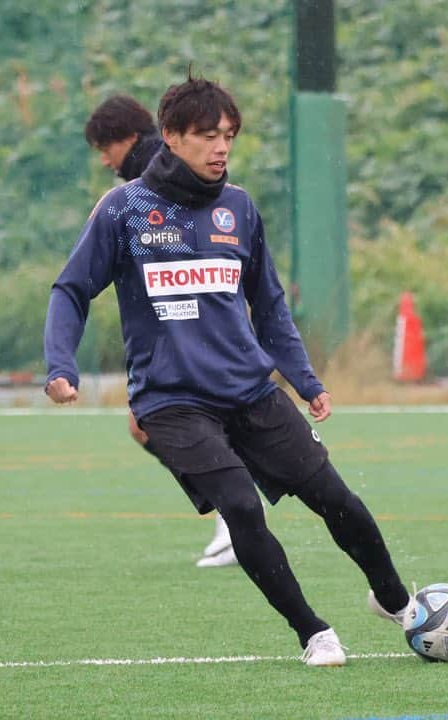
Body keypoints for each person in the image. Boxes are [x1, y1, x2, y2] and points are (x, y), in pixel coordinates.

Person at [45, 72, 413, 665]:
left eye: (229, 136)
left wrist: (305, 379)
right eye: (208, 135)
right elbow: (70, 290)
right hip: (172, 402)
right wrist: (61, 364)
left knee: (334, 497)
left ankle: (397, 600)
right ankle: (313, 632)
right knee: (240, 505)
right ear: (169, 136)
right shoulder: (125, 209)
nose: (221, 148)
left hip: (250, 391)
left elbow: (268, 306)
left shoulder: (238, 208)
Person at [84, 93, 239, 568]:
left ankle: (233, 515)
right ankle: (230, 510)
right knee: (148, 424)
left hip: (190, 326)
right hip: (193, 323)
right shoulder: (144, 174)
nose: (105, 161)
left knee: (162, 423)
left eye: (104, 149)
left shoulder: (155, 168)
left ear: (123, 138)